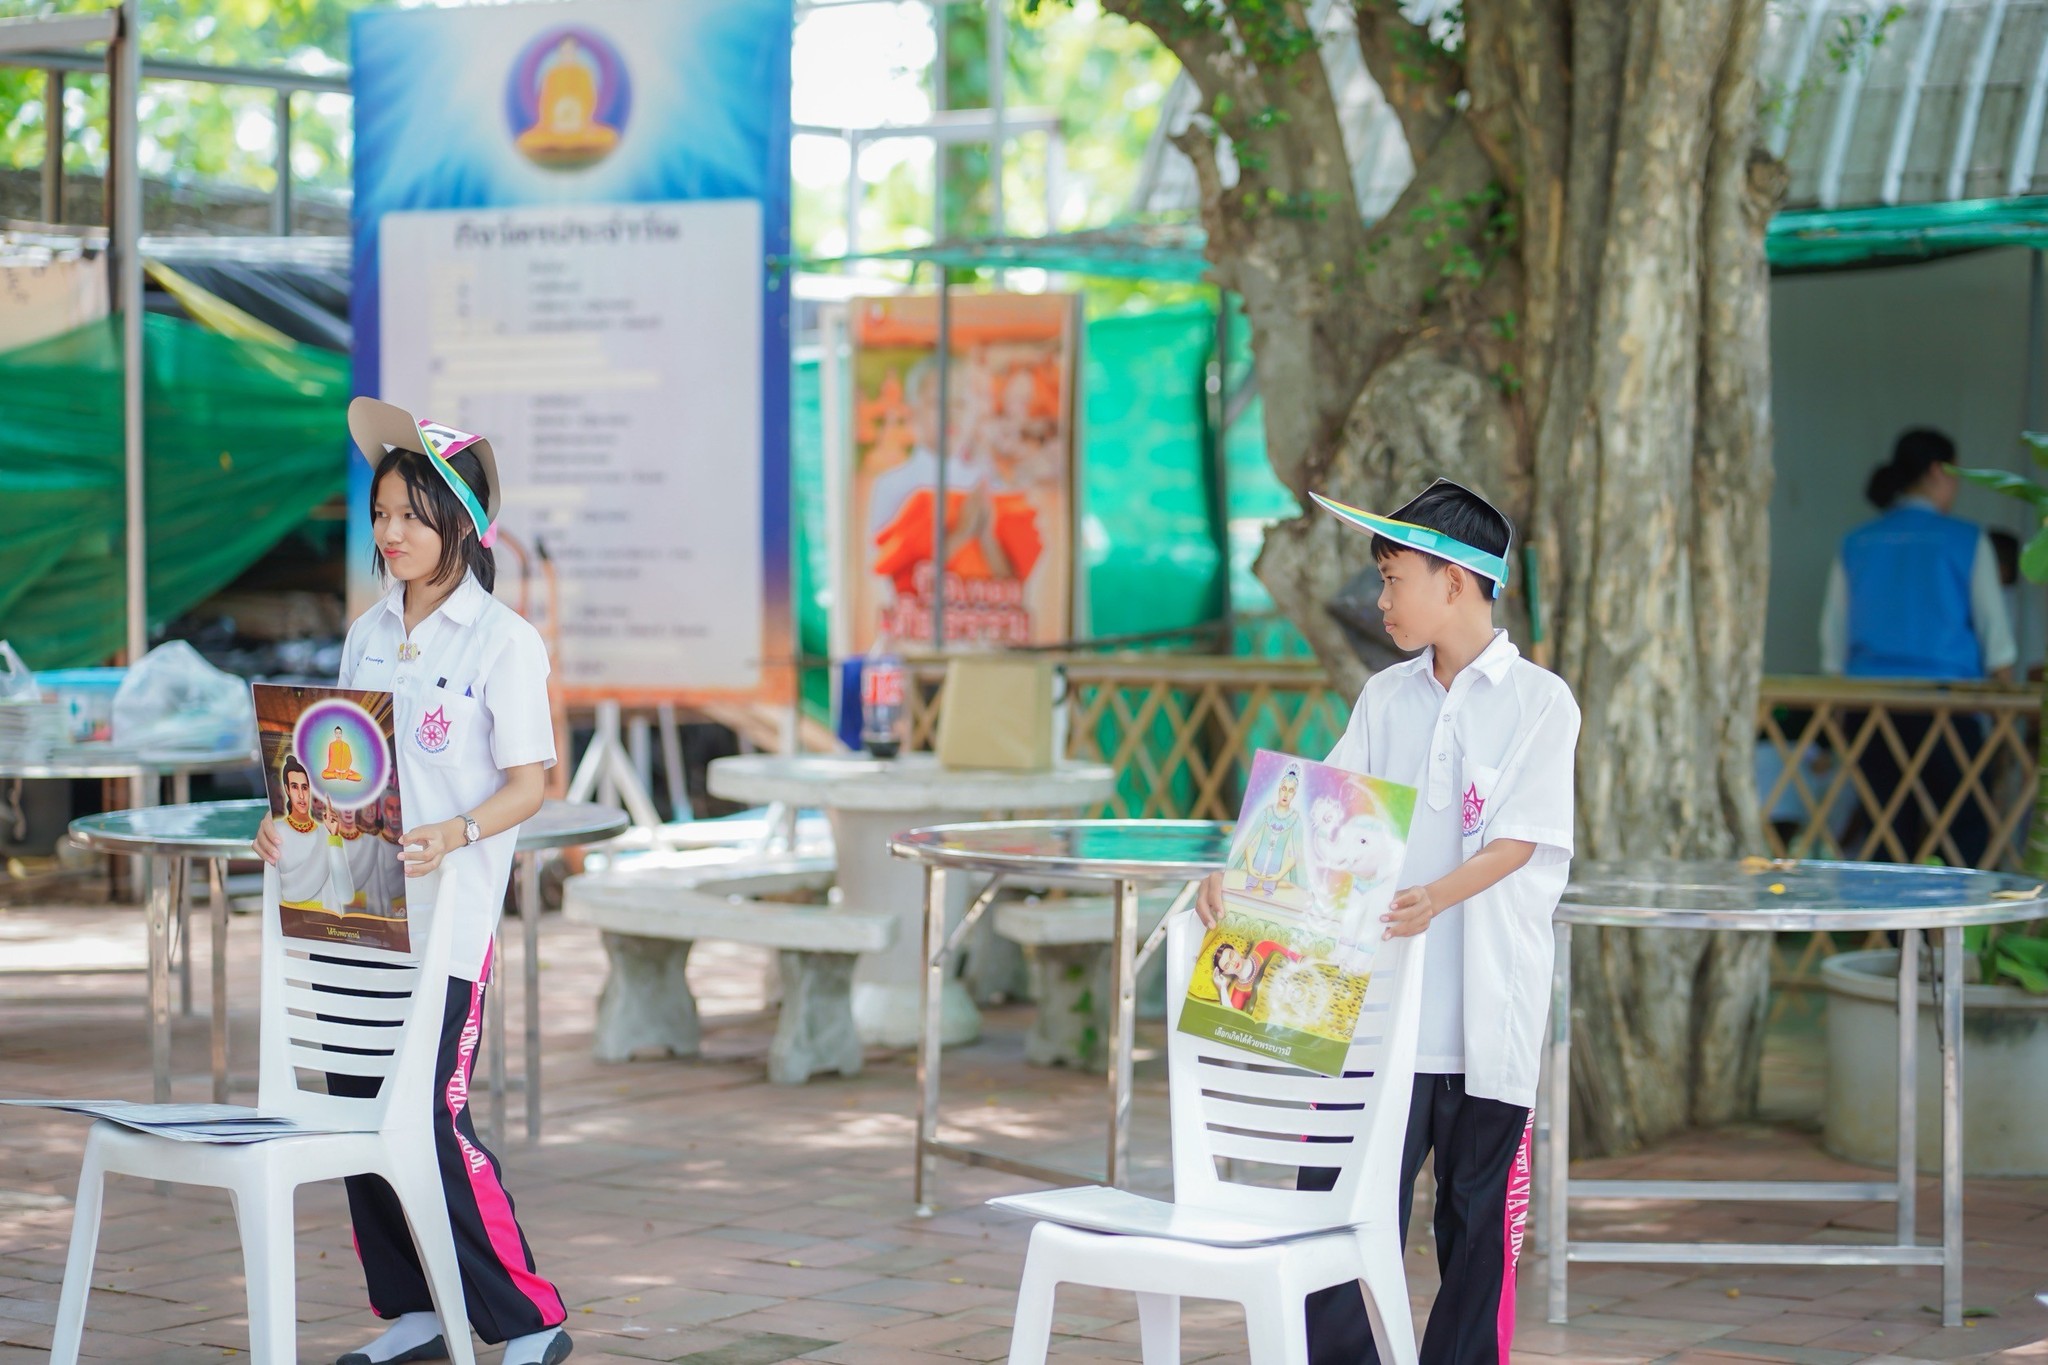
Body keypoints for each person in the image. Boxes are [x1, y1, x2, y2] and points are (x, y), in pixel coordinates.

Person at [1196, 478, 1580, 1365]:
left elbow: (1525, 838)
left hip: (1491, 1022)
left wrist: (1439, 893)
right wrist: (1240, 882)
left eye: (1393, 575)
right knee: (1323, 1203)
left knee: (1478, 1237)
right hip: (1374, 1024)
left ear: (1454, 580)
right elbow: (1316, 821)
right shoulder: (1386, 699)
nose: (1380, 598)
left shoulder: (1540, 703)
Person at [255, 398, 569, 1365]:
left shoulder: (503, 641)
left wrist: (458, 830)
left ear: (461, 525)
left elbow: (534, 782)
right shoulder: (365, 633)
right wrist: (290, 820)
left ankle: (530, 1317)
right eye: (382, 513)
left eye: (410, 515)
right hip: (353, 912)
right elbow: (344, 769)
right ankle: (420, 1310)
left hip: (449, 924)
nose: (389, 533)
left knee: (430, 1115)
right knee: (355, 1109)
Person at [1820, 428, 2015, 865]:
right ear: (1937, 472)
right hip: (1946, 707)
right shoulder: (1966, 540)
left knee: (1887, 827)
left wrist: (1836, 710)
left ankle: (1889, 931)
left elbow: (1833, 638)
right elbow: (1995, 637)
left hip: (1870, 708)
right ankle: (1957, 930)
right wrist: (2006, 707)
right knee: (1965, 825)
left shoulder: (1857, 542)